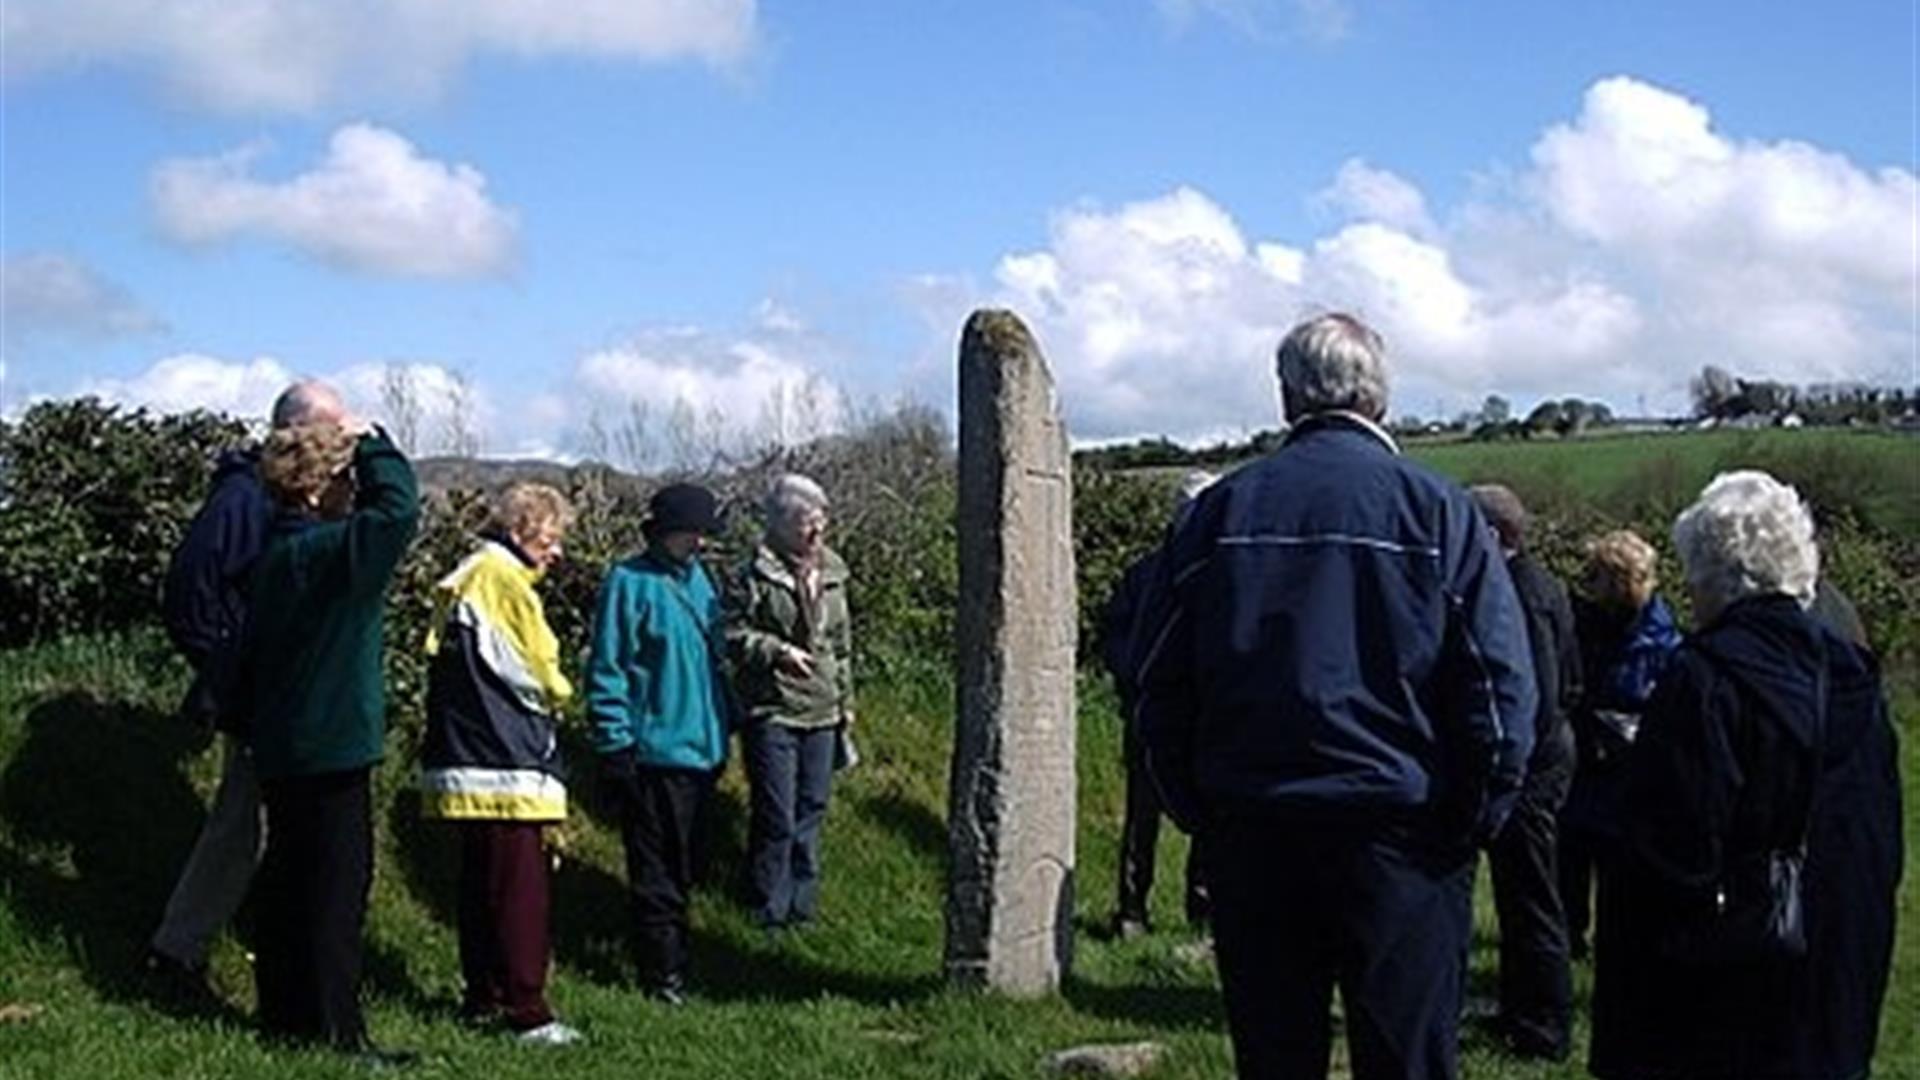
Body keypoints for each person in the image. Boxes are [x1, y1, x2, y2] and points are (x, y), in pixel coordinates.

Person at [1134, 313, 1536, 1080]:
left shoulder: (1217, 515)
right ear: (1380, 397)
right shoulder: (1439, 512)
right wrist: (1470, 821)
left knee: (1277, 1059)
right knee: (1407, 1060)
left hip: (1257, 826)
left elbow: (1158, 682)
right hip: (1400, 832)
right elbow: (1497, 688)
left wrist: (1202, 811)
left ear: (1288, 399)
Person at [1590, 471, 1902, 1079]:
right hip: (1834, 961)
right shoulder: (1855, 676)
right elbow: (1880, 839)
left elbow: (1663, 860)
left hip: (1724, 987)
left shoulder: (1703, 681)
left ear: (1711, 574)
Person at [146, 380, 348, 992]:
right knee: (241, 826)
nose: (341, 442)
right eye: (332, 429)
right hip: (262, 697)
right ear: (294, 430)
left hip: (279, 695)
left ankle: (215, 945)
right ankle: (177, 952)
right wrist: (234, 667)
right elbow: (190, 595)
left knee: (255, 826)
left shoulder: (270, 498)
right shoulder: (242, 499)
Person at [238, 417, 419, 1061]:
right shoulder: (334, 554)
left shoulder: (274, 557)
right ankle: (339, 1034)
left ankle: (285, 1018)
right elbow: (399, 510)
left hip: (281, 743)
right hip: (336, 744)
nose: (352, 489)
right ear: (317, 488)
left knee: (287, 880)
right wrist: (372, 441)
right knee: (338, 893)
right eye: (342, 478)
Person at [417, 483, 580, 1046]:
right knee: (519, 886)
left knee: (482, 881)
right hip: (506, 758)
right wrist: (562, 692)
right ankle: (526, 1008)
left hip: (468, 752)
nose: (556, 552)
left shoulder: (469, 575)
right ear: (519, 530)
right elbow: (532, 666)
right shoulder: (501, 579)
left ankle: (483, 995)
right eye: (550, 538)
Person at [588, 483, 730, 1004]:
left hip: (704, 751)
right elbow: (608, 668)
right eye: (694, 533)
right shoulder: (627, 583)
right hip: (654, 755)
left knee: (688, 865)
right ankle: (662, 974)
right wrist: (615, 744)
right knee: (657, 871)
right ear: (667, 532)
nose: (700, 543)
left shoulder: (700, 581)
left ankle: (685, 960)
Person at [1467, 484, 1581, 1061]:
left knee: (1534, 898)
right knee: (1520, 894)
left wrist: (1507, 763)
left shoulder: (1517, 594)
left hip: (1532, 765)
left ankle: (1545, 1028)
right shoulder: (1545, 585)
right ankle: (1519, 1010)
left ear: (1493, 535)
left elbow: (1532, 692)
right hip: (1547, 753)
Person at [727, 474, 855, 931]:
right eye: (806, 521)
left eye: (821, 519)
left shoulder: (835, 572)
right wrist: (776, 651)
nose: (817, 531)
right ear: (780, 523)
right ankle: (766, 909)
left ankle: (802, 908)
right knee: (777, 815)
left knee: (812, 809)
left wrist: (847, 702)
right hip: (773, 709)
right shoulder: (752, 574)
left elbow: (841, 645)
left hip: (823, 710)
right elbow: (731, 634)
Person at [1102, 469, 1216, 940]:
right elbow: (1119, 639)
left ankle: (1202, 909)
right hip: (1153, 711)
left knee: (1209, 816)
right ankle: (1132, 909)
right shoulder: (1146, 573)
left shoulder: (1217, 570)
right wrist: (1137, 687)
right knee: (1143, 816)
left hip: (1204, 714)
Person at [1559, 530, 1680, 960]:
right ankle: (1571, 937)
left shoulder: (1657, 640)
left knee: (1608, 860)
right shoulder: (1644, 630)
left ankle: (1602, 941)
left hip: (1623, 761)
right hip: (1594, 759)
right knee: (1572, 857)